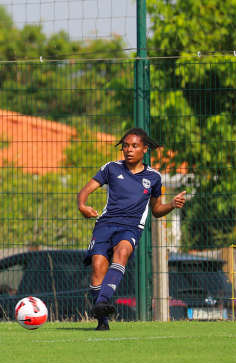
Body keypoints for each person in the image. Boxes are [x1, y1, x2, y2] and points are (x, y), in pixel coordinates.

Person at [77, 127, 186, 331]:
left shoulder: (154, 177)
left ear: (144, 149)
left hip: (131, 227)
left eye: (134, 146)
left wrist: (172, 204)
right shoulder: (111, 168)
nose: (129, 150)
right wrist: (82, 205)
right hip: (106, 224)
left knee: (123, 251)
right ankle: (103, 321)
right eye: (126, 146)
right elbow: (85, 190)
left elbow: (156, 210)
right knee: (98, 265)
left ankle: (102, 301)